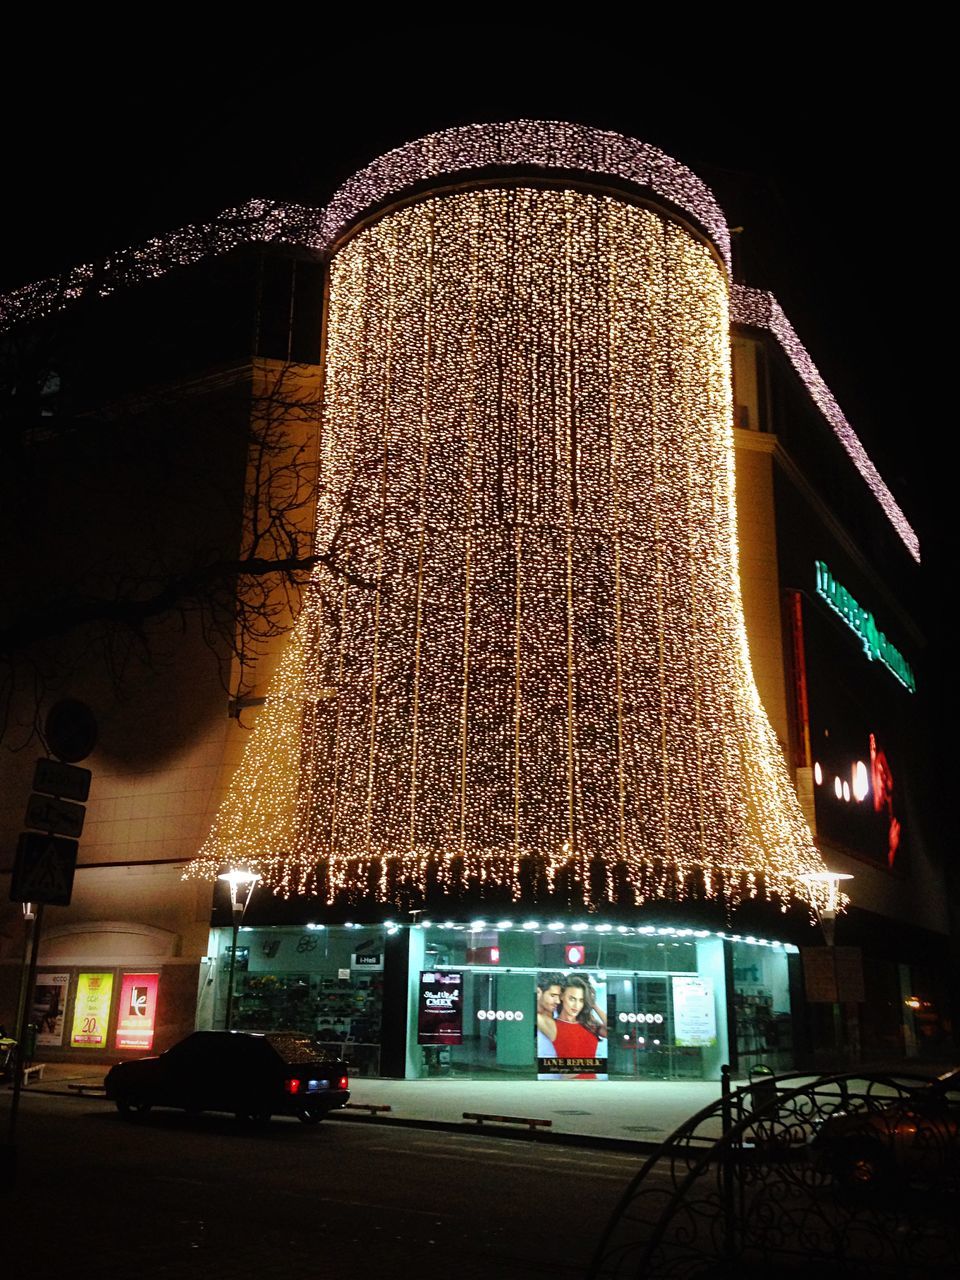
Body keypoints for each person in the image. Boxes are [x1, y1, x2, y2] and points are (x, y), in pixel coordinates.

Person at [542, 975, 608, 1069]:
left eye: (581, 1000)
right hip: (567, 1082)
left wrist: (594, 1005)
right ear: (562, 996)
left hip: (593, 1082)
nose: (576, 1005)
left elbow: (610, 1030)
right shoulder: (553, 1025)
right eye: (572, 999)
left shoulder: (589, 1024)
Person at [535, 973, 565, 1060]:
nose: (558, 1001)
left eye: (559, 996)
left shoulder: (559, 1012)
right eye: (553, 996)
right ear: (539, 992)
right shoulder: (538, 1017)